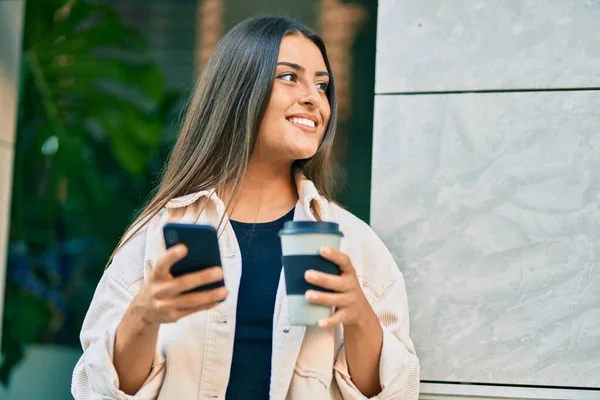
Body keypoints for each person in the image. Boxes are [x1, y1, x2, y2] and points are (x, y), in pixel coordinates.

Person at [71, 15, 420, 400]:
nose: (314, 98)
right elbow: (96, 389)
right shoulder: (156, 236)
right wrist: (144, 316)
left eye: (322, 85)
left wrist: (358, 317)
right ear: (239, 89)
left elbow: (393, 393)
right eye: (290, 77)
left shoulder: (355, 244)